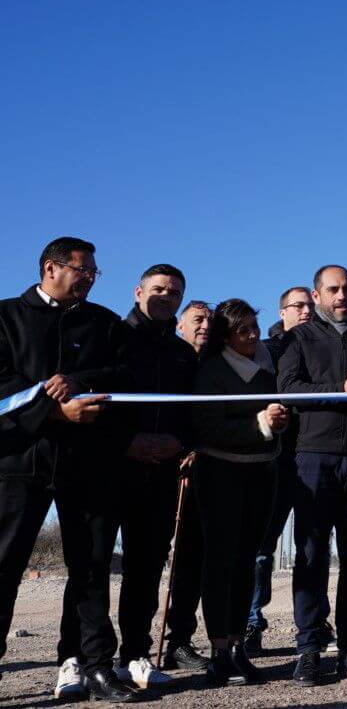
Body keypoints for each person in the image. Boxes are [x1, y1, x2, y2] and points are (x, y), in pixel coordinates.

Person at [0, 237, 135, 703]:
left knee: (91, 568)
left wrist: (79, 381)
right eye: (83, 270)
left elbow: (124, 374)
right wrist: (55, 412)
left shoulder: (104, 323)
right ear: (51, 268)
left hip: (87, 464)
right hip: (19, 463)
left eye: (94, 272)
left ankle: (96, 666)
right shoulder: (6, 318)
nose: (90, 278)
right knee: (3, 566)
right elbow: (2, 383)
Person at [278, 266, 347, 686]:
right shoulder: (299, 338)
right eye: (333, 289)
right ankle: (308, 649)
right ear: (317, 295)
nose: (342, 295)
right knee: (310, 556)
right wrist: (339, 391)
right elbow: (288, 388)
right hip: (314, 458)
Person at [189, 299, 289, 687]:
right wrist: (260, 422)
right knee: (220, 561)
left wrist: (278, 424)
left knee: (247, 560)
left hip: (262, 472)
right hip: (220, 474)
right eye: (242, 329)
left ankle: (237, 647)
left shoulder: (267, 368)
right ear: (225, 335)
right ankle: (218, 651)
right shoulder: (212, 371)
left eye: (254, 326)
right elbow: (206, 425)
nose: (252, 334)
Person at [110, 265, 197, 690]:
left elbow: (192, 411)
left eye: (174, 292)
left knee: (145, 569)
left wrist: (178, 443)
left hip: (161, 471)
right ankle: (82, 657)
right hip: (112, 467)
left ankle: (134, 654)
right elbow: (99, 398)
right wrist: (126, 442)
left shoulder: (183, 354)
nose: (166, 297)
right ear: (138, 291)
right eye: (158, 289)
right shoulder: (113, 337)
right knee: (91, 568)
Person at [245, 286, 312, 655]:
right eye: (298, 306)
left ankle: (313, 623)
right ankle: (251, 621)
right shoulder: (265, 352)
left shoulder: (322, 347)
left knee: (313, 547)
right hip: (274, 461)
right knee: (261, 547)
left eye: (310, 305)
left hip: (314, 455)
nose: (306, 311)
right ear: (282, 311)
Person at [162, 300, 213, 674]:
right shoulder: (170, 358)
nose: (204, 326)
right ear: (181, 324)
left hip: (205, 471)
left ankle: (179, 641)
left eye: (209, 320)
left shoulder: (214, 364)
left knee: (192, 561)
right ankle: (135, 648)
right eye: (197, 319)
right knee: (153, 560)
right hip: (162, 466)